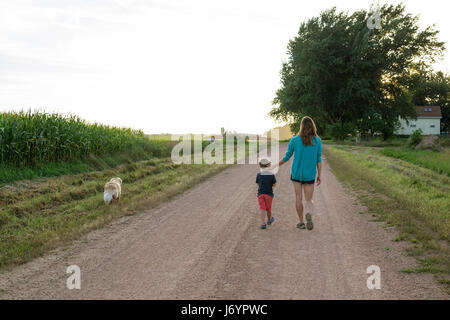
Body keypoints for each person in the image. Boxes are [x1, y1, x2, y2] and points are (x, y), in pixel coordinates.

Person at [278, 116, 322, 230]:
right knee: (309, 199)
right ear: (313, 126)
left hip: (297, 174)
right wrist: (319, 175)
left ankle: (301, 222)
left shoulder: (294, 140)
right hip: (310, 175)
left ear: (301, 126)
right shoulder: (317, 141)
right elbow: (319, 159)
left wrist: (275, 165)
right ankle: (309, 214)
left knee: (298, 197)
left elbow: (287, 157)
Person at [256, 158, 276, 229]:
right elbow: (274, 185)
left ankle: (262, 223)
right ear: (267, 165)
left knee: (262, 208)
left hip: (260, 194)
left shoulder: (258, 174)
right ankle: (269, 220)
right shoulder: (271, 175)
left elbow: (257, 183)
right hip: (269, 194)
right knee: (268, 209)